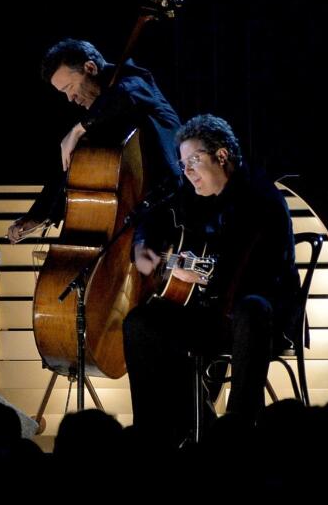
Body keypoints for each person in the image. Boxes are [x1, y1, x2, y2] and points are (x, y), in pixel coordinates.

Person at [122, 114, 300, 446]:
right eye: (183, 164)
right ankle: (163, 431)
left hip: (262, 316)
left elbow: (264, 272)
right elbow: (152, 216)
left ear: (221, 156)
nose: (187, 172)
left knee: (252, 309)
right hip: (215, 312)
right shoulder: (195, 195)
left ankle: (238, 431)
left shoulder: (261, 196)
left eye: (194, 161)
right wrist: (143, 247)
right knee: (142, 321)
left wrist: (208, 272)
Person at [8, 38, 182, 242]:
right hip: (129, 221)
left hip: (170, 209)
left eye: (69, 87)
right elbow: (71, 169)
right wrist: (37, 215)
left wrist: (77, 130)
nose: (70, 98)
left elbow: (125, 94)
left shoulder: (135, 80)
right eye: (63, 92)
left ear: (90, 67)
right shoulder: (100, 116)